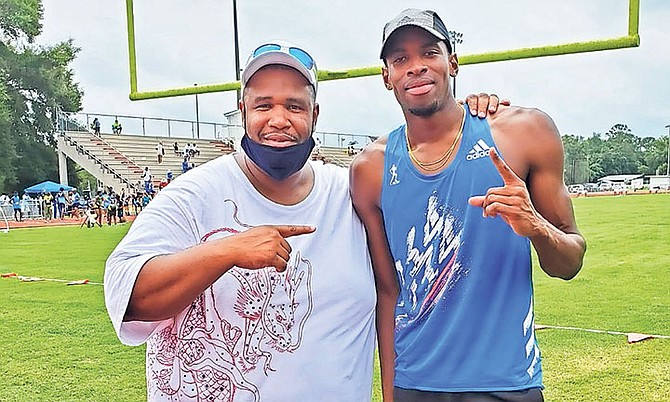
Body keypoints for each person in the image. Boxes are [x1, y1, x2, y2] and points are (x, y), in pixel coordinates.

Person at [104, 41, 378, 402]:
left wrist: (470, 123)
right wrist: (225, 252)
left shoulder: (350, 194)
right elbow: (128, 298)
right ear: (243, 110)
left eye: (294, 106)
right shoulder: (193, 195)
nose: (279, 120)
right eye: (264, 105)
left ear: (315, 114)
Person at [350, 9, 587, 402]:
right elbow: (388, 291)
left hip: (505, 383)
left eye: (429, 53)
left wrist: (536, 227)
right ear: (386, 76)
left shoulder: (524, 133)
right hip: (417, 382)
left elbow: (570, 262)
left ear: (452, 63)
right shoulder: (370, 169)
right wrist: (392, 393)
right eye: (400, 59)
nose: (416, 68)